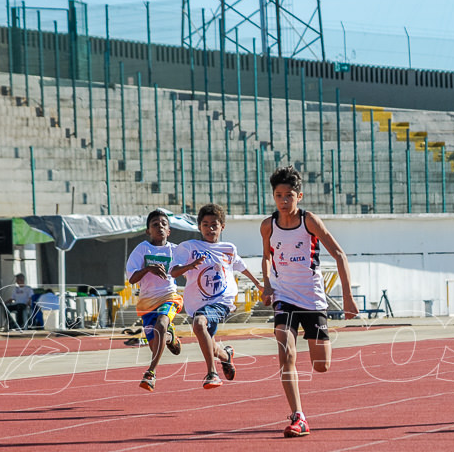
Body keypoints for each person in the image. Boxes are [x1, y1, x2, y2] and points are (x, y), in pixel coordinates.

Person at [260, 166, 358, 437]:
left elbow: (339, 254)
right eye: (278, 195)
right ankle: (298, 416)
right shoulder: (268, 225)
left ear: (299, 196)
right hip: (284, 298)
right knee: (286, 354)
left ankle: (311, 346)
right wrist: (267, 284)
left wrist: (347, 298)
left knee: (321, 365)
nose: (283, 200)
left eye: (289, 195)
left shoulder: (309, 221)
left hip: (312, 300)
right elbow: (267, 256)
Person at [172, 203, 264, 389]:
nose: (210, 228)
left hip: (221, 302)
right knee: (211, 346)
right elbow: (174, 272)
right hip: (197, 303)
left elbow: (242, 267)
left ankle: (212, 373)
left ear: (222, 226)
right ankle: (226, 356)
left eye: (214, 224)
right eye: (205, 224)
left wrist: (259, 284)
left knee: (199, 324)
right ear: (199, 227)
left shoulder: (228, 248)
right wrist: (190, 266)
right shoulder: (188, 247)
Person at [125, 209, 184, 391]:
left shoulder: (175, 250)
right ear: (148, 231)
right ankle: (170, 337)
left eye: (163, 224)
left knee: (161, 324)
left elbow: (188, 271)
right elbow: (132, 278)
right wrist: (148, 269)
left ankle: (151, 373)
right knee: (156, 343)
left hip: (169, 297)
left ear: (169, 231)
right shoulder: (142, 249)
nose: (160, 227)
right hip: (147, 303)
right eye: (155, 225)